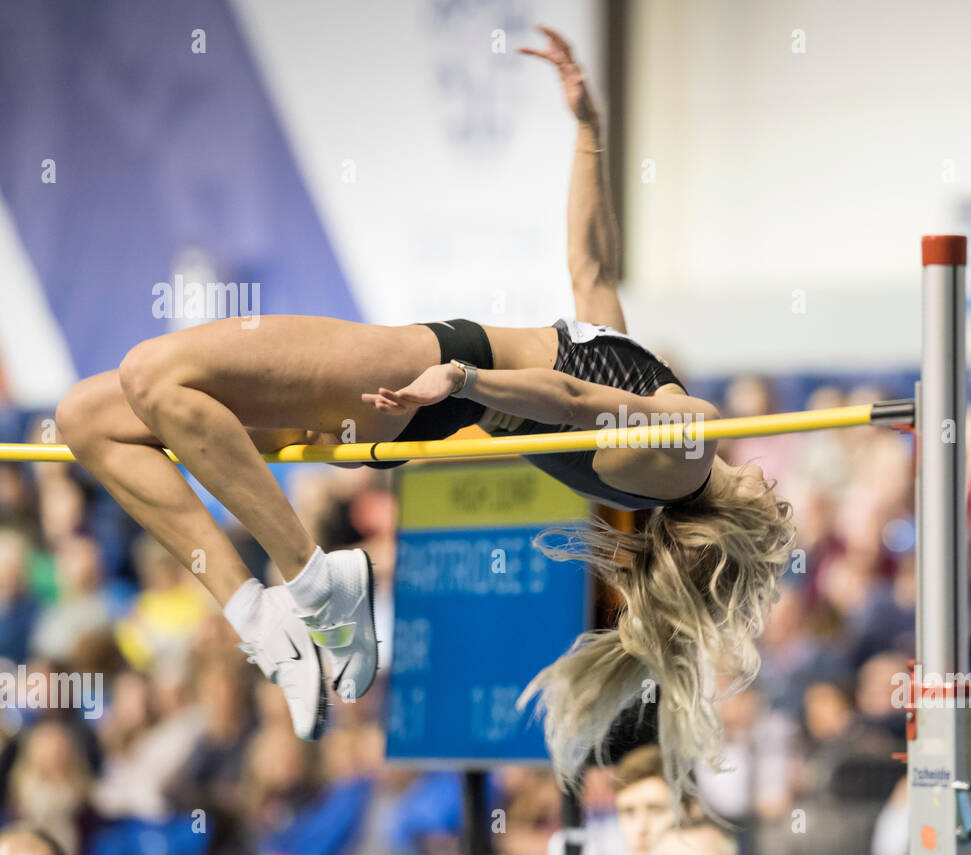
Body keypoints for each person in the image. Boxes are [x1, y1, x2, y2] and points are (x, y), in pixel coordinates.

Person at [52, 28, 794, 804]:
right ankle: (262, 620)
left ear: (733, 532)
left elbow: (574, 400)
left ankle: (316, 579)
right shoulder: (666, 430)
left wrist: (465, 376)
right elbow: (593, 267)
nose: (776, 493)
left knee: (152, 373)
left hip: (431, 376)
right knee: (87, 418)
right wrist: (588, 130)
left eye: (774, 514)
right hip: (428, 394)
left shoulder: (684, 456)